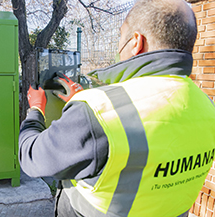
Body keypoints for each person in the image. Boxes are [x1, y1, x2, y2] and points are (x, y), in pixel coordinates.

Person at [19, 0, 215, 216]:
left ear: (136, 42)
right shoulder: (208, 108)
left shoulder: (96, 113)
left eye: (121, 37)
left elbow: (32, 157)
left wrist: (36, 110)